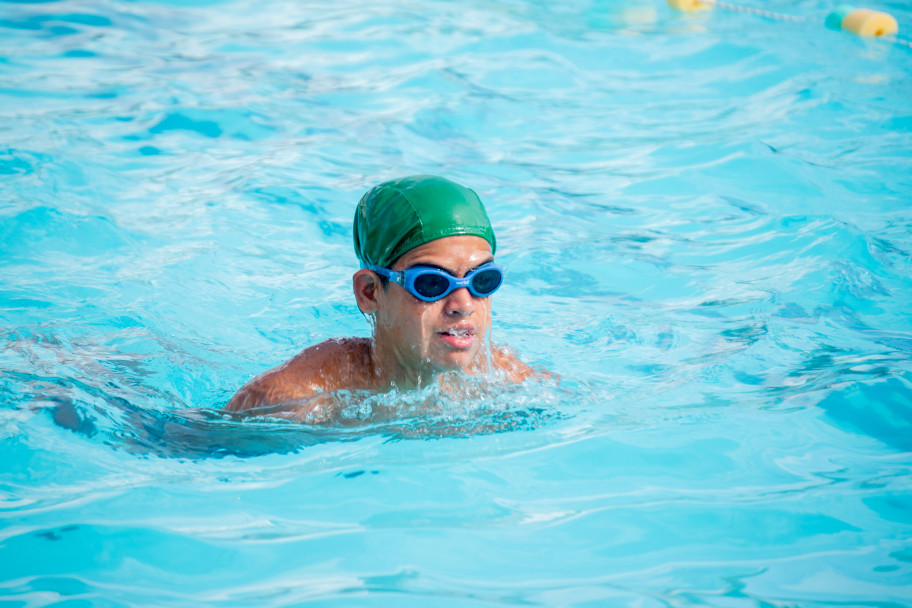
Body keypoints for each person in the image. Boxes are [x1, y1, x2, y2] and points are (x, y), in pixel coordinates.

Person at [225, 175, 538, 420]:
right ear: (370, 292)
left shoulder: (501, 375)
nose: (464, 305)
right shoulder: (295, 399)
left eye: (482, 280)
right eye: (432, 283)